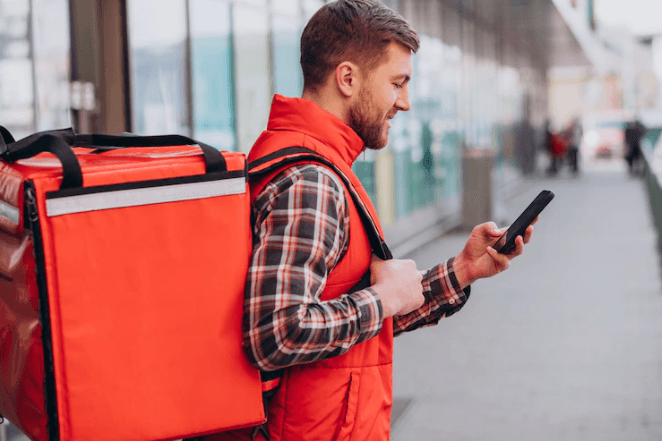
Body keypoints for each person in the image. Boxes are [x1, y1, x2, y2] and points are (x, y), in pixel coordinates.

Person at [207, 1, 536, 440]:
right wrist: (381, 299)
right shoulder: (312, 180)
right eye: (396, 83)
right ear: (347, 78)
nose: (405, 102)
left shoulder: (318, 163)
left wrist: (464, 270)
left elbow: (350, 324)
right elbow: (277, 333)